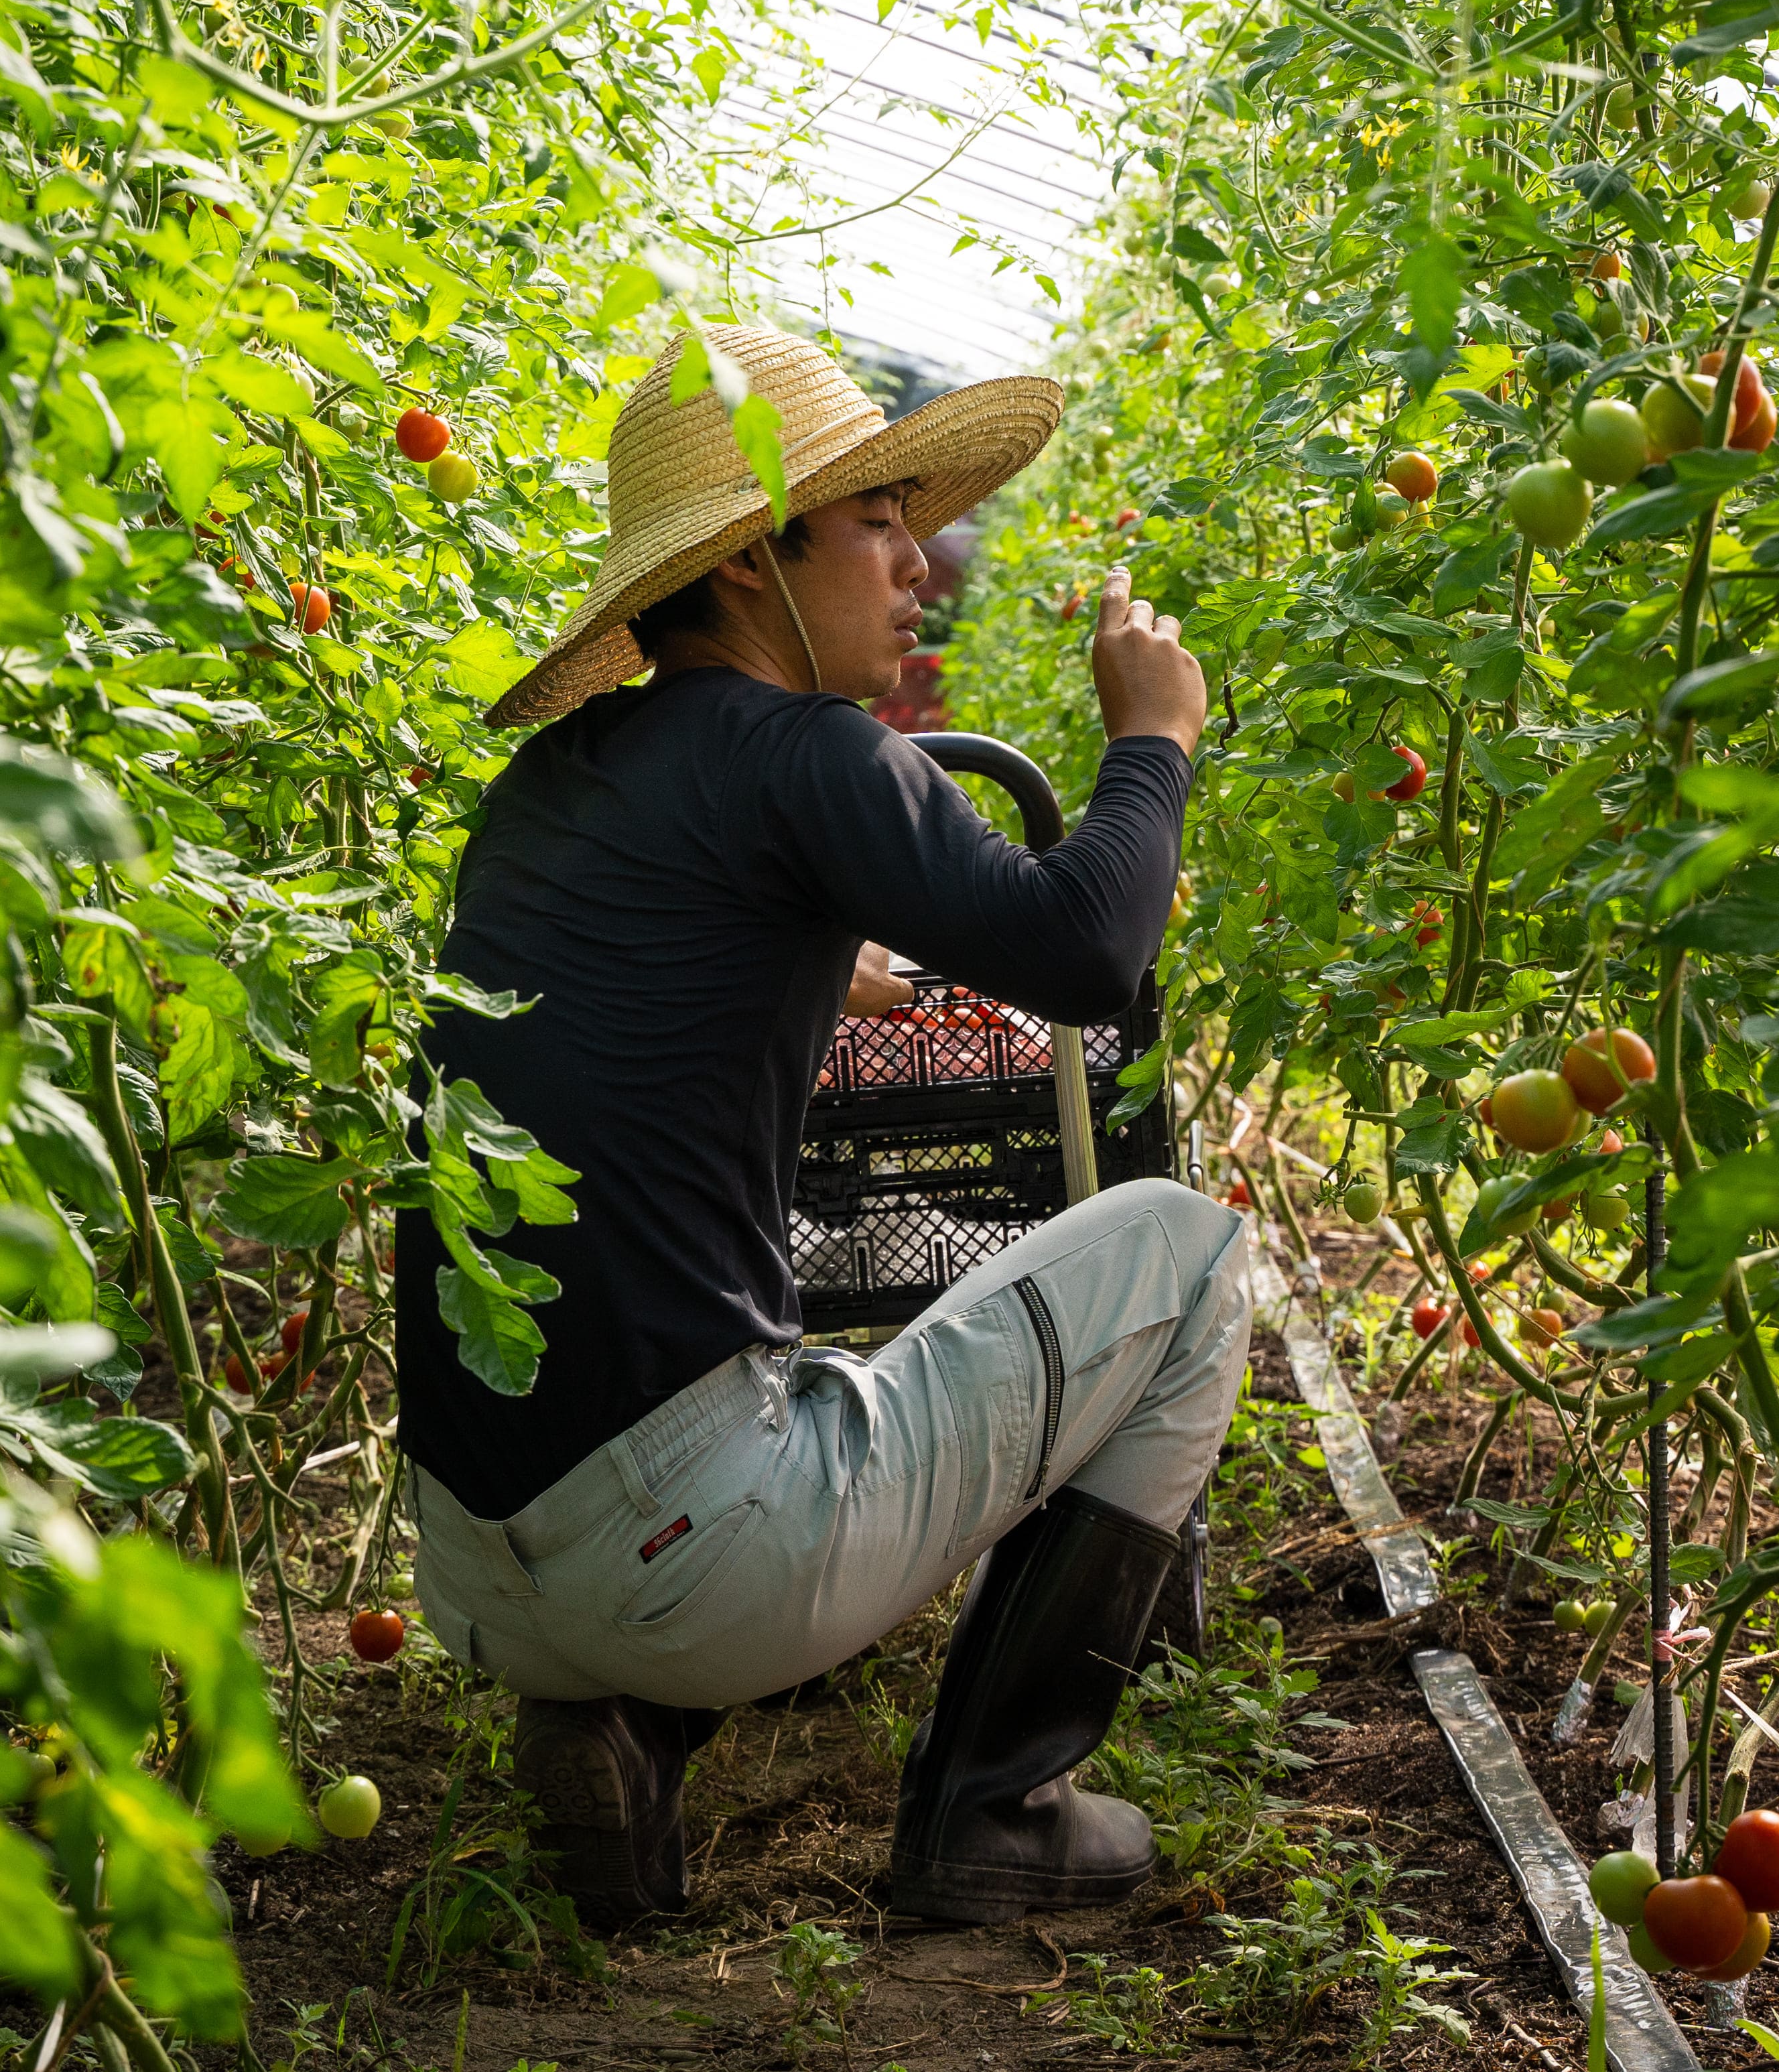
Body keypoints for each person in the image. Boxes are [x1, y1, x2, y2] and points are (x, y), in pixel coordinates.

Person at [391, 323, 1250, 1930]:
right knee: (1193, 1257)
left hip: (473, 1566)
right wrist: (1153, 736)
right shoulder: (807, 752)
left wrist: (804, 971)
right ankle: (1000, 1807)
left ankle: (624, 1720)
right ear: (743, 569)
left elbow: (642, 970)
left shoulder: (552, 784)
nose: (918, 560)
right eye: (872, 518)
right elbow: (1083, 949)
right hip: (691, 1545)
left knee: (756, 1388)